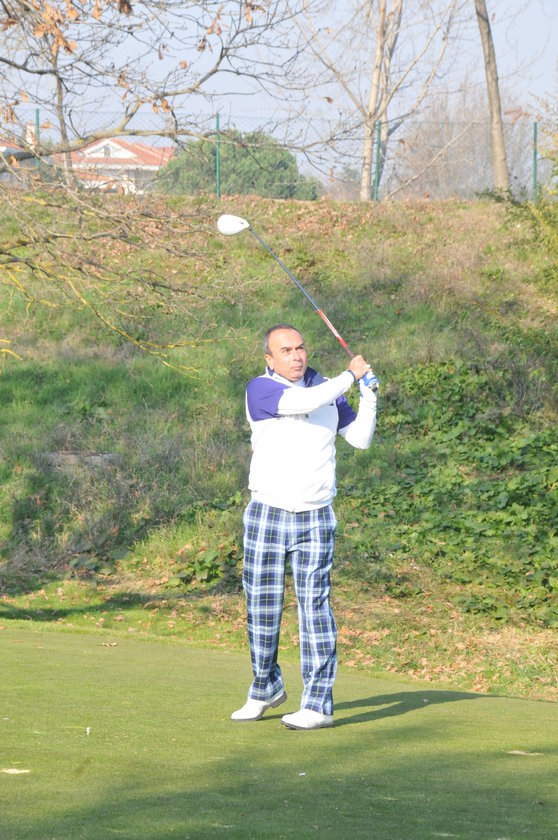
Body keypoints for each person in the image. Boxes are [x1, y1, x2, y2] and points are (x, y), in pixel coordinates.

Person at [231, 324, 377, 730]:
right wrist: (351, 375)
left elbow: (361, 439)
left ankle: (317, 704)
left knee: (315, 609)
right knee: (261, 608)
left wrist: (369, 396)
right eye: (285, 350)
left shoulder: (328, 390)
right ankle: (265, 686)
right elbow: (304, 402)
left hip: (316, 515)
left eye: (300, 348)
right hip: (267, 511)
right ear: (269, 358)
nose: (296, 356)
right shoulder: (260, 389)